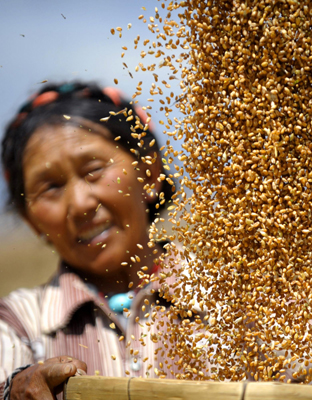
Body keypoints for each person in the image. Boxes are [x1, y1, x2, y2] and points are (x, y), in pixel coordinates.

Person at [0, 82, 180, 400]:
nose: (81, 203)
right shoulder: (19, 324)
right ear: (31, 221)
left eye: (94, 170)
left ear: (149, 174)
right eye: (51, 187)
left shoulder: (233, 298)